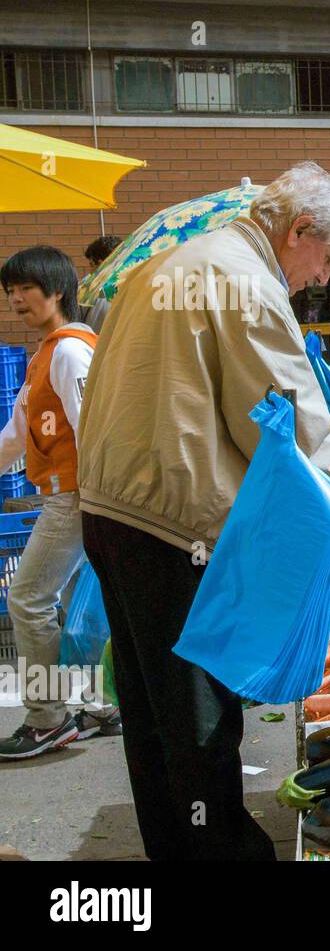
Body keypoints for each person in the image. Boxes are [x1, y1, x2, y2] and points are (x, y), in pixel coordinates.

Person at [76, 161, 330, 861]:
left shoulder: (166, 266)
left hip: (111, 507)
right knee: (199, 713)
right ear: (297, 231)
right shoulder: (245, 281)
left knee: (150, 710)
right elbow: (284, 413)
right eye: (328, 258)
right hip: (171, 518)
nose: (324, 279)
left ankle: (176, 845)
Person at [0, 247, 119, 760]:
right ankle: (104, 705)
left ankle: (47, 719)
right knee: (79, 609)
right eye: (10, 292)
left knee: (27, 598)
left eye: (26, 288)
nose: (16, 300)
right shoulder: (46, 354)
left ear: (57, 290)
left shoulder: (71, 351)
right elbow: (14, 436)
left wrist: (97, 503)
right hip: (71, 497)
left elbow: (95, 429)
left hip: (75, 496)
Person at [80, 235, 122, 333]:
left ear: (101, 263)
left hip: (92, 345)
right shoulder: (135, 283)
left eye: (91, 265)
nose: (90, 272)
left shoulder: (86, 288)